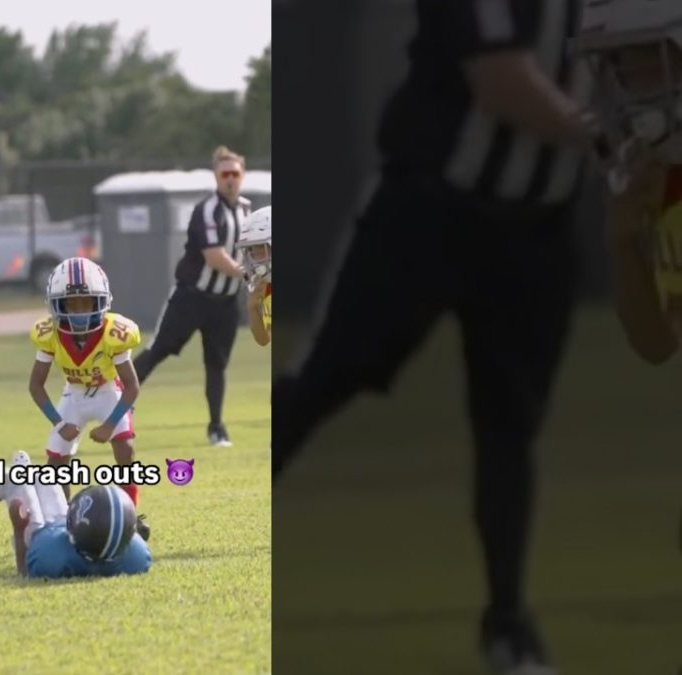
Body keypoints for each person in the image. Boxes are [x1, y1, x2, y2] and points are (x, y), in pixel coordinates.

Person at [274, 1, 601, 672]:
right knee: (323, 380)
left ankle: (509, 625)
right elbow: (502, 80)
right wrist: (612, 137)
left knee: (510, 427)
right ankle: (182, 519)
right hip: (428, 215)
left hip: (538, 231)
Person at [578, 4, 682, 363]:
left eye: (646, 55)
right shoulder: (671, 178)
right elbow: (659, 344)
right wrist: (623, 244)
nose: (627, 81)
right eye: (618, 61)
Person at [134, 145, 250, 447]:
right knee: (157, 351)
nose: (230, 179)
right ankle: (115, 408)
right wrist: (249, 273)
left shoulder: (247, 210)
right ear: (216, 176)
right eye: (225, 173)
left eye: (235, 174)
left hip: (225, 303)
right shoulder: (207, 210)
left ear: (242, 175)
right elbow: (214, 256)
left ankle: (216, 427)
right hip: (191, 298)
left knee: (217, 365)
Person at [28, 257, 150, 540]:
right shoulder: (49, 335)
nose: (80, 312)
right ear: (57, 305)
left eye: (87, 303)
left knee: (125, 447)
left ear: (102, 302)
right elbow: (36, 385)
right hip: (74, 393)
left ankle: (129, 515)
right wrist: (60, 423)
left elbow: (131, 387)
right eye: (72, 304)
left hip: (109, 391)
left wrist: (109, 425)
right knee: (56, 460)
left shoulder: (114, 333)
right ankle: (64, 520)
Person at [0, 451, 152, 579]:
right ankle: (27, 472)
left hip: (41, 533)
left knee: (13, 476)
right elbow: (118, 532)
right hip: (62, 525)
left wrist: (19, 530)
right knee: (40, 473)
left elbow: (24, 572)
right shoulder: (136, 557)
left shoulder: (52, 556)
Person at [238, 206, 272, 347]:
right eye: (251, 250)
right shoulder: (268, 287)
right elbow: (264, 339)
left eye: (259, 248)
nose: (253, 259)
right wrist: (253, 308)